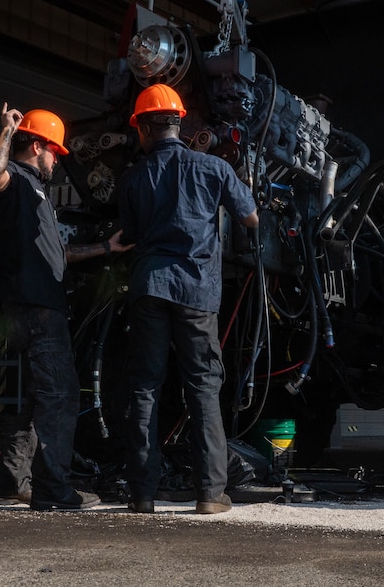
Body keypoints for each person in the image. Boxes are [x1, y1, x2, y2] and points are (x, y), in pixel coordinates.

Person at [0, 102, 130, 511]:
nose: (57, 162)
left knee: (39, 399)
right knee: (61, 397)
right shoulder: (16, 182)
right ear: (38, 146)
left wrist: (105, 247)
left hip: (29, 307)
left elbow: (57, 254)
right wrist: (8, 130)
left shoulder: (37, 194)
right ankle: (54, 490)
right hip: (37, 308)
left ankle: (11, 481)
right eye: (54, 153)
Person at [117, 84, 259, 515]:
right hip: (197, 289)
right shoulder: (212, 169)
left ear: (143, 129)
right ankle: (210, 494)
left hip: (149, 286)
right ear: (180, 123)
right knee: (202, 387)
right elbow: (251, 218)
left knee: (144, 387)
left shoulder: (132, 178)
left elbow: (129, 236)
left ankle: (142, 495)